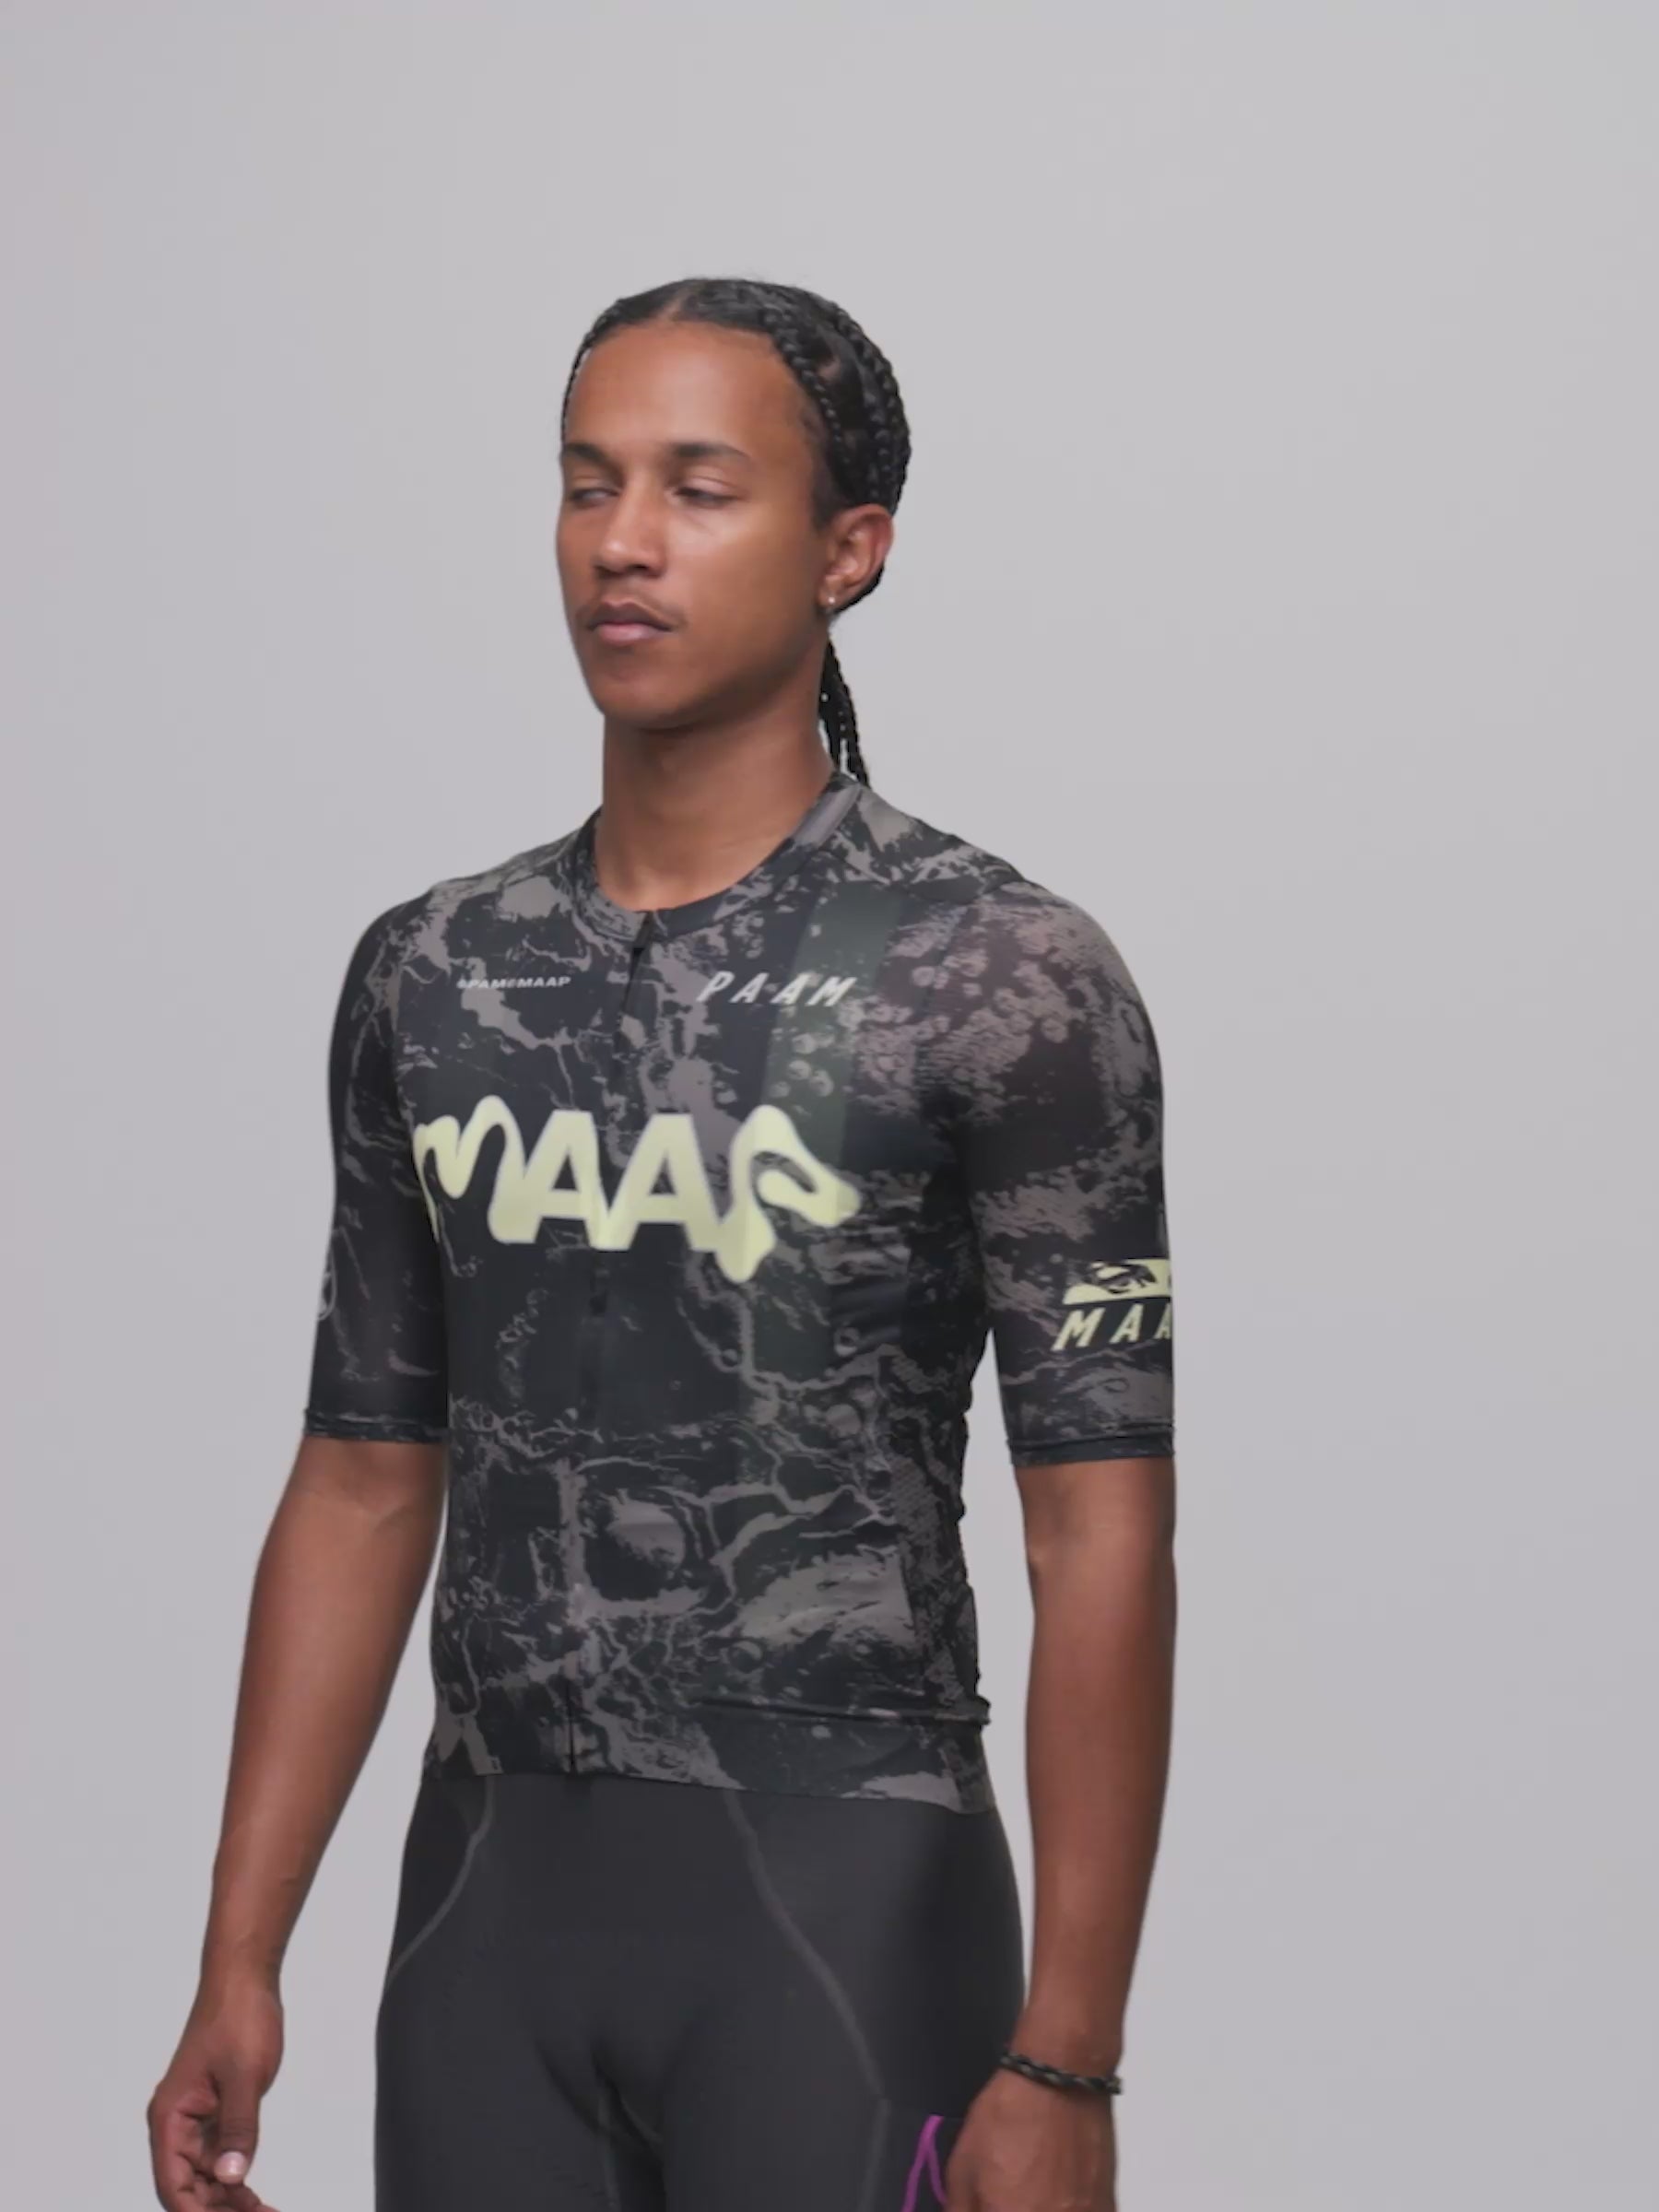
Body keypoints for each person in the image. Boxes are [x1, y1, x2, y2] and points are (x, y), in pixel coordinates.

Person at [147, 276, 1178, 2212]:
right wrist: (241, 1954)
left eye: (700, 489)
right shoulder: (436, 972)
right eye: (588, 482)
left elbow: (1100, 1535)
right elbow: (364, 1480)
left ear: (849, 551)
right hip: (485, 1916)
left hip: (847, 1907)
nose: (624, 541)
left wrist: (1071, 2055)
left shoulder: (999, 977)